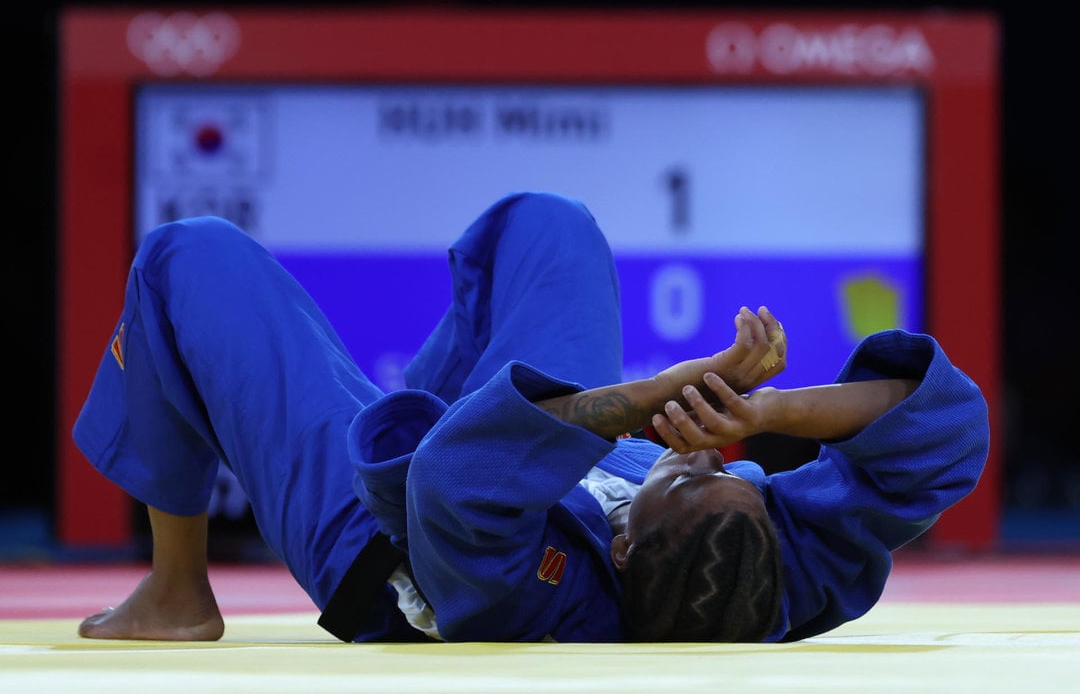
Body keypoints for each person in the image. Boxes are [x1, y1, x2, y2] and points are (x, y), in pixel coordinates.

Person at [72, 191, 990, 644]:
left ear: (626, 550)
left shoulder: (555, 602)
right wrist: (770, 408)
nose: (711, 459)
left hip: (378, 541)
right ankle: (448, 389)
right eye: (731, 473)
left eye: (688, 474)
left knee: (187, 257)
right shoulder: (774, 567)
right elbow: (949, 438)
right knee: (550, 225)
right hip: (503, 437)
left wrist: (651, 392)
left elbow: (450, 482)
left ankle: (177, 592)